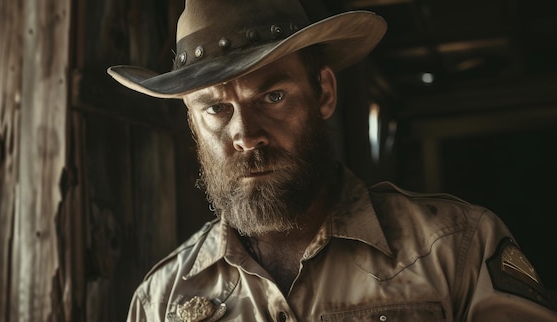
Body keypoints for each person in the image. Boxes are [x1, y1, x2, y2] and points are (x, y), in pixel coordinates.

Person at [108, 0, 557, 321]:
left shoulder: (456, 251)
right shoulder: (161, 302)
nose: (246, 135)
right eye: (215, 109)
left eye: (273, 96)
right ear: (191, 122)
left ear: (323, 92)